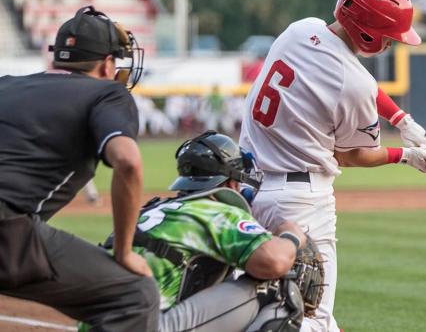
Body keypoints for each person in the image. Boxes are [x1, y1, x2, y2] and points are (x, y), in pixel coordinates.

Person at [239, 0, 426, 331]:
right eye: (389, 37)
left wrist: (399, 117)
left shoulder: (301, 29)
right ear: (368, 36)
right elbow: (353, 156)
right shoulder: (354, 85)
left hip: (247, 191)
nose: (392, 43)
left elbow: (350, 72)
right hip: (302, 203)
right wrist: (404, 155)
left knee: (254, 303)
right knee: (311, 318)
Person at [0, 6, 159, 331]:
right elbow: (127, 162)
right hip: (6, 233)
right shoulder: (106, 93)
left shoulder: (6, 84)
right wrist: (124, 252)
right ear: (106, 64)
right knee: (135, 294)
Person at [80, 131, 307, 332]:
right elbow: (273, 260)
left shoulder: (151, 209)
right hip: (142, 326)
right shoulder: (213, 210)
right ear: (230, 183)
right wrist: (291, 236)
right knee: (276, 285)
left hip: (94, 323)